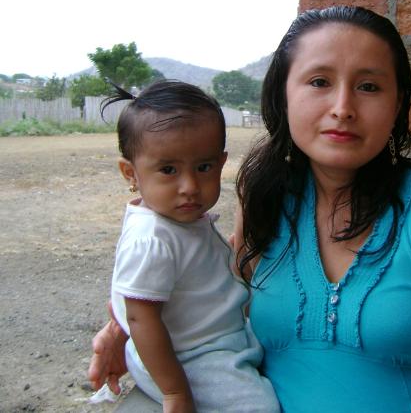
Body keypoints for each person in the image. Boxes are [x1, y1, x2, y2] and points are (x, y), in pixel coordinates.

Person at [90, 7, 411, 412]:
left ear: (397, 106)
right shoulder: (266, 199)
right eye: (319, 82)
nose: (343, 108)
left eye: (369, 87)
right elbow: (212, 301)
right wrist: (123, 329)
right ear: (283, 96)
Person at [97, 80, 279, 413]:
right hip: (184, 358)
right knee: (259, 406)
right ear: (130, 173)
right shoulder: (151, 238)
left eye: (204, 167)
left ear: (221, 163)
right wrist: (175, 393)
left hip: (215, 337)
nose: (190, 186)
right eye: (168, 170)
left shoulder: (180, 220)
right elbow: (140, 318)